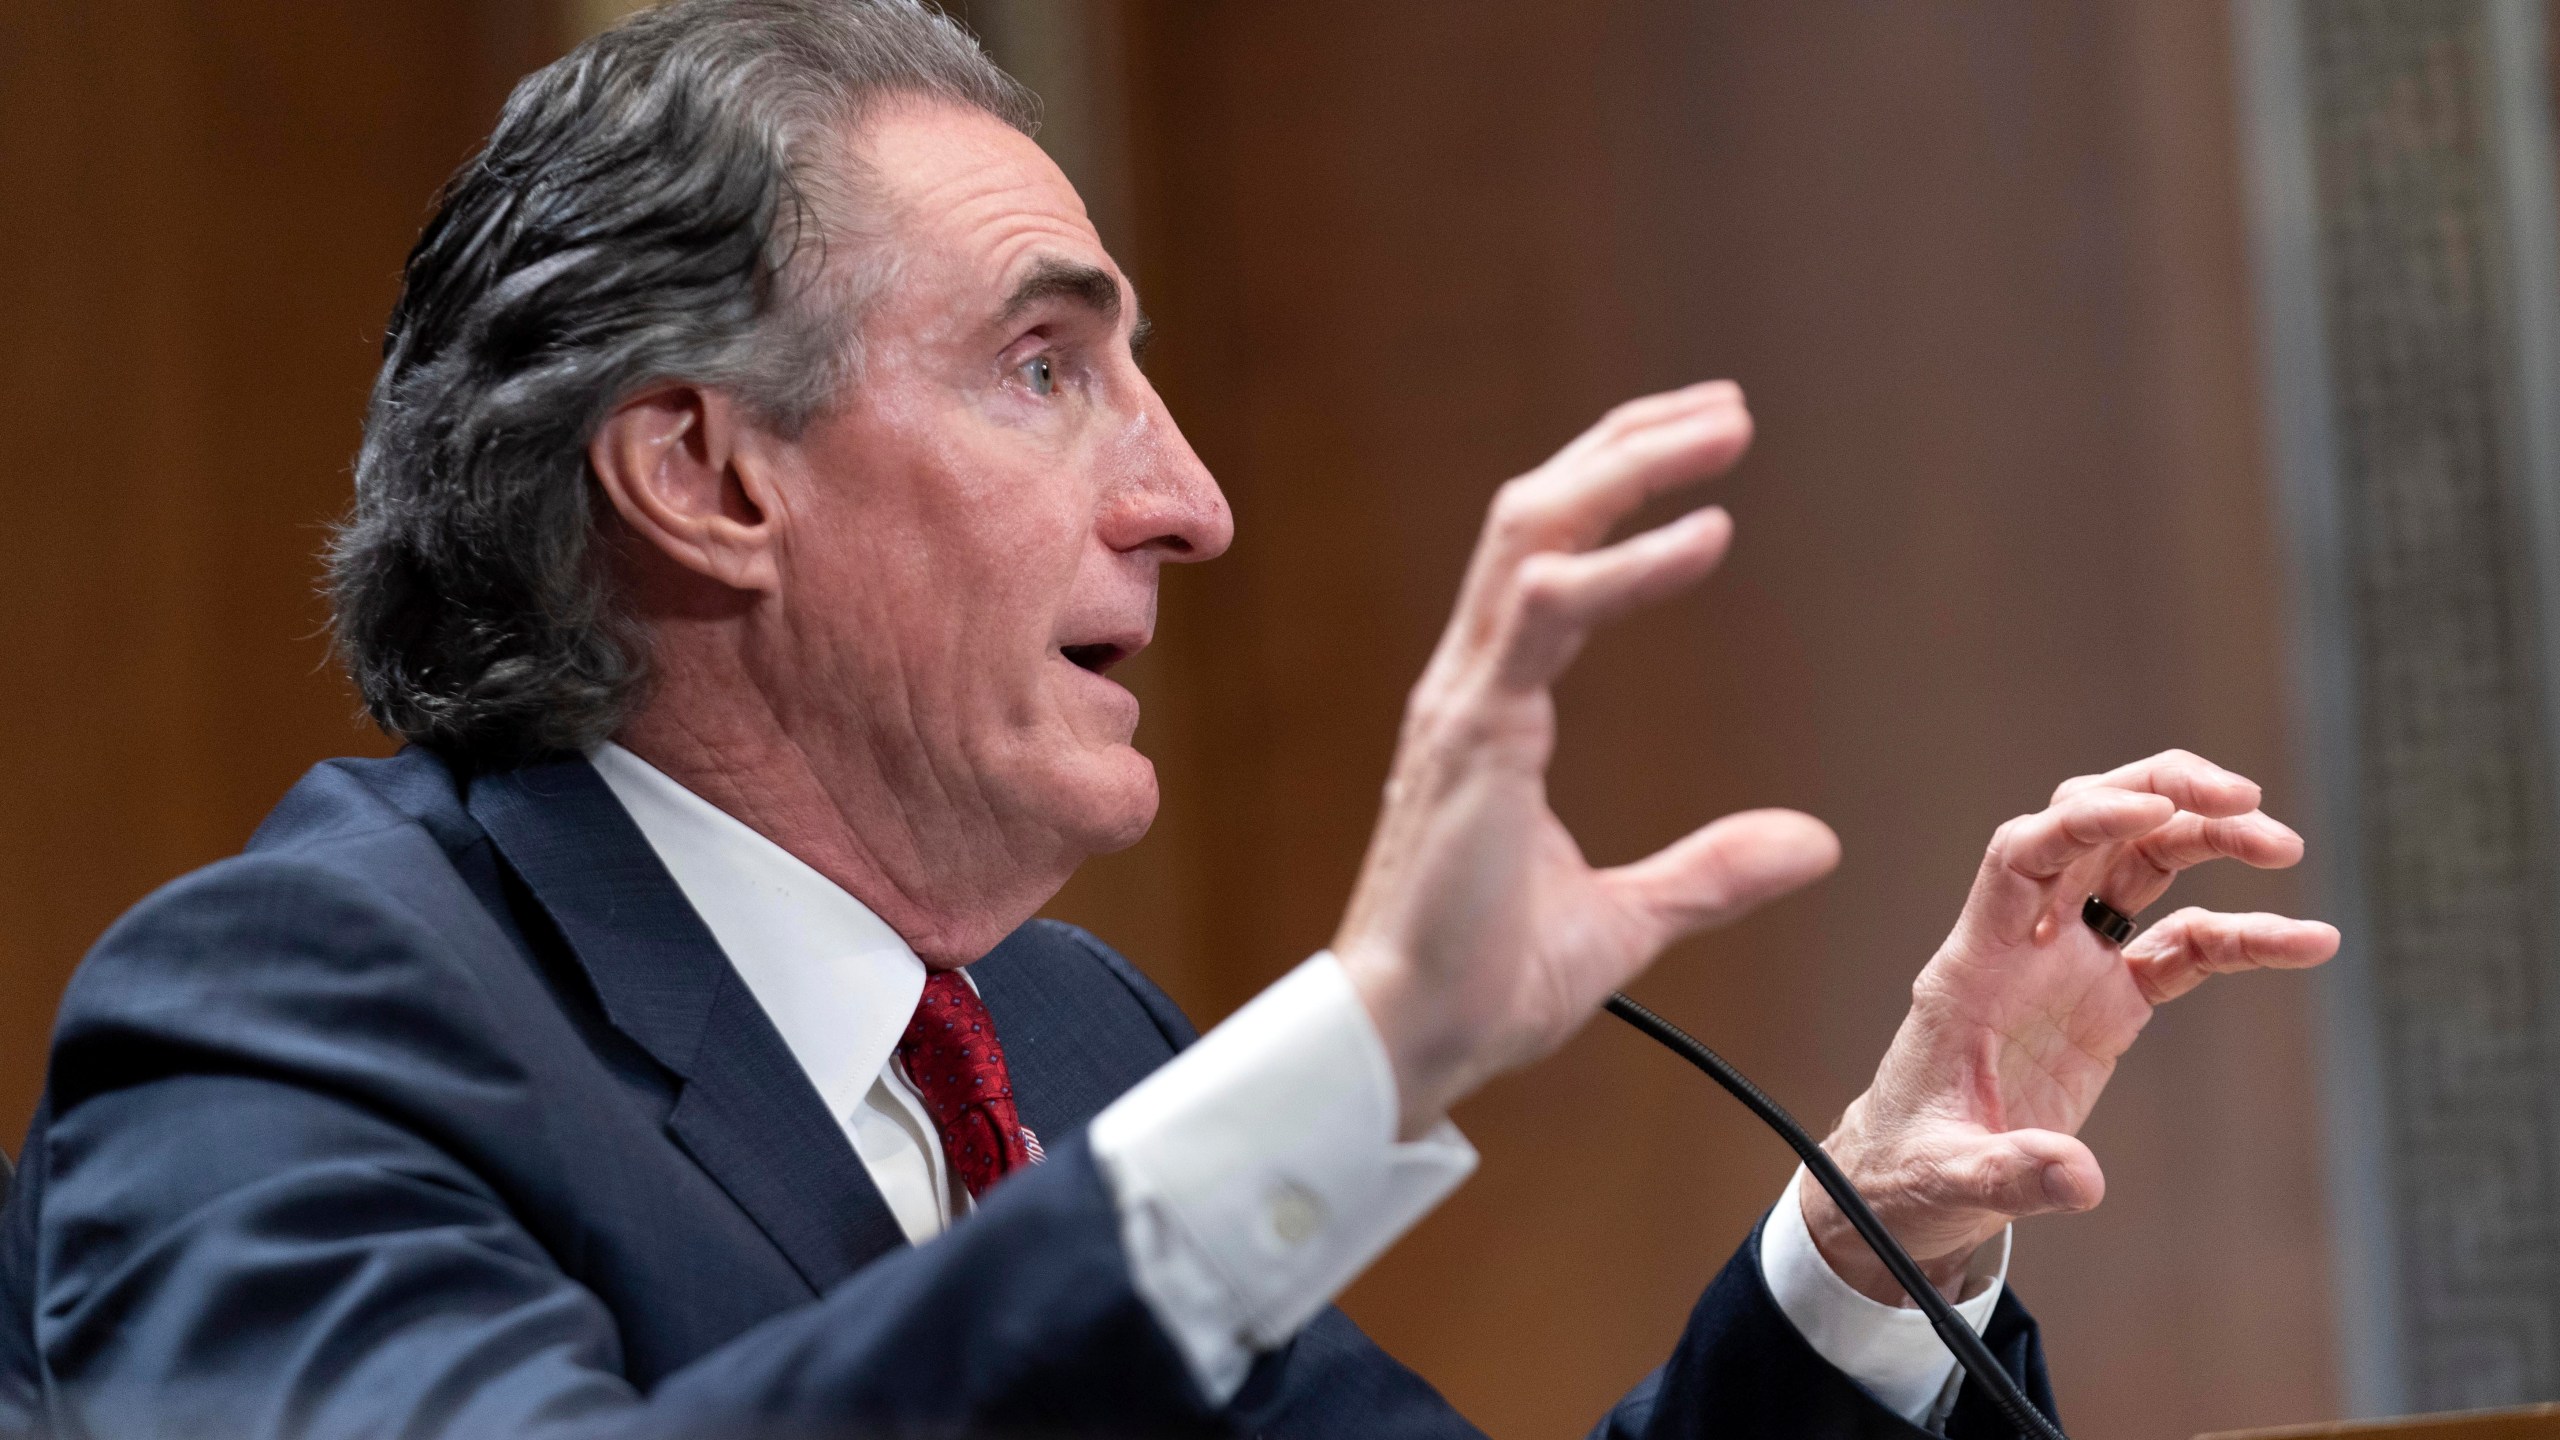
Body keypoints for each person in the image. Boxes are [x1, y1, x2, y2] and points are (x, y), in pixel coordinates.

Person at [0, 2, 2340, 1436]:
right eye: (1044, 368)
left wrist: (1868, 1255)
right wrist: (1359, 1051)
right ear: (704, 474)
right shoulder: (296, 1020)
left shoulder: (1065, 1041)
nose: (1190, 501)